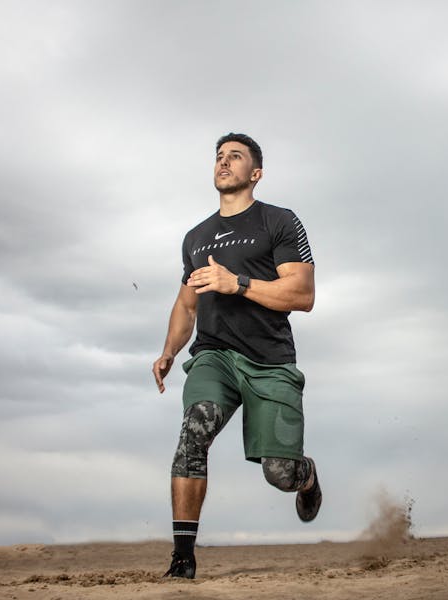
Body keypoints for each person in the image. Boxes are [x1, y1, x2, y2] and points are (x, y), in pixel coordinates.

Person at [151, 132, 321, 579]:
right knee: (193, 432)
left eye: (236, 157)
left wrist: (238, 283)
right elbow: (187, 303)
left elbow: (303, 294)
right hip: (215, 357)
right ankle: (182, 558)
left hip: (269, 361)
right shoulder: (196, 237)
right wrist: (170, 349)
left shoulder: (278, 221)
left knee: (279, 473)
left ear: (256, 173)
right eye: (219, 157)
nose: (224, 162)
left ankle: (306, 475)